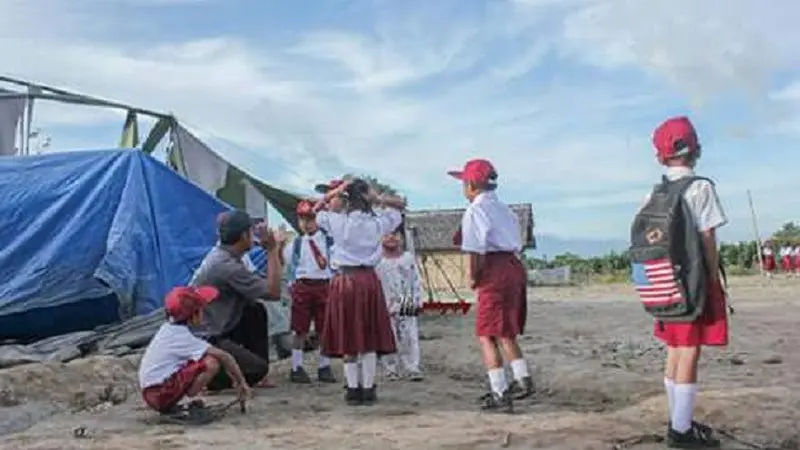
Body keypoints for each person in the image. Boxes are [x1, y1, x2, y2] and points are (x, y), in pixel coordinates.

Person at [648, 116, 726, 448]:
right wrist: (712, 277)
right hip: (693, 281)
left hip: (664, 283)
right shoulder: (701, 187)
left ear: (660, 156)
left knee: (675, 349)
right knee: (691, 350)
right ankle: (680, 431)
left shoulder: (656, 192)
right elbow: (708, 237)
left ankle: (678, 418)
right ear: (695, 149)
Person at [447, 158, 533, 413]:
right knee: (505, 330)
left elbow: (475, 250)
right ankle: (522, 379)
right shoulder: (506, 210)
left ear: (472, 184)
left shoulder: (475, 210)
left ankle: (500, 392)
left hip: (494, 269)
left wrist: (473, 276)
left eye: (464, 183)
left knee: (487, 334)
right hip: (513, 266)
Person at [314, 178, 406, 406]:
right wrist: (379, 198)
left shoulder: (338, 222)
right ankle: (368, 388)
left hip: (344, 280)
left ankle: (352, 390)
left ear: (347, 198)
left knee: (348, 335)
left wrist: (334, 192)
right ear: (367, 197)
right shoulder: (378, 223)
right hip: (368, 280)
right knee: (368, 335)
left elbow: (316, 210)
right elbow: (401, 206)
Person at [190, 210, 285, 390]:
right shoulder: (227, 266)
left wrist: (275, 253)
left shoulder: (224, 256)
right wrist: (272, 250)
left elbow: (266, 282)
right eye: (251, 232)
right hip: (208, 336)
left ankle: (249, 372)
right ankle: (215, 377)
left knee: (254, 310)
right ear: (243, 235)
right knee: (257, 369)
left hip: (217, 325)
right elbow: (274, 292)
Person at [139, 286, 253, 414]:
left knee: (201, 360)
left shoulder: (168, 329)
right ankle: (184, 400)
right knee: (211, 362)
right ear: (193, 314)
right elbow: (224, 356)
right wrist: (241, 383)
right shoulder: (181, 336)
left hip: (153, 391)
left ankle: (178, 400)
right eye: (201, 309)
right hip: (159, 393)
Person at [283, 200, 336, 384]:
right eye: (302, 218)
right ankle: (296, 367)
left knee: (324, 328)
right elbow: (290, 266)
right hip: (303, 287)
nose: (307, 223)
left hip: (323, 286)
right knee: (300, 329)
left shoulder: (329, 241)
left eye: (310, 218)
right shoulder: (295, 244)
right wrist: (292, 286)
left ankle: (324, 365)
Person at [375, 223, 424, 381]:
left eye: (395, 234)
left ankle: (412, 367)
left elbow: (416, 280)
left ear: (402, 238)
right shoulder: (377, 262)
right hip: (385, 301)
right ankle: (390, 368)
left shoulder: (408, 258)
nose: (391, 237)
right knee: (389, 335)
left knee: (409, 334)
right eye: (387, 234)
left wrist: (418, 300)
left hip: (407, 298)